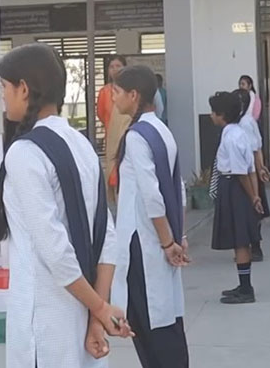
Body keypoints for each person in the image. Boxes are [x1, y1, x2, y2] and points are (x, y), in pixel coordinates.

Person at [0, 43, 131, 368]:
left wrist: (100, 310)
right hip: (83, 314)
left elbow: (54, 250)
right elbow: (106, 237)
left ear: (23, 89)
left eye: (5, 87)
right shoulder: (82, 145)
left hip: (45, 324)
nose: (3, 97)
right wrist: (97, 313)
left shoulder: (25, 153)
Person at [110, 66, 190, 368]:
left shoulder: (136, 137)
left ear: (134, 95)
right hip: (159, 238)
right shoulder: (161, 130)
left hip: (144, 242)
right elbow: (178, 188)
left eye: (117, 92)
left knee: (150, 325)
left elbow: (152, 196)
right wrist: (178, 235)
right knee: (165, 319)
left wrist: (168, 243)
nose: (113, 97)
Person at [209, 91, 264, 304]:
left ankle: (246, 289)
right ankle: (243, 284)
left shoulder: (231, 137)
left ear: (222, 115)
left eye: (213, 112)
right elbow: (251, 169)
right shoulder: (239, 133)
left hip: (234, 186)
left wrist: (252, 196)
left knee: (240, 240)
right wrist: (255, 195)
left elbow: (241, 171)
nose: (211, 115)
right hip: (240, 186)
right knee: (239, 240)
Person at [235, 88, 270, 261]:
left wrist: (260, 169)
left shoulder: (245, 123)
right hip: (251, 171)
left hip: (249, 172)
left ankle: (255, 247)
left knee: (252, 209)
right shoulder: (246, 120)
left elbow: (255, 149)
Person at [97, 55, 130, 206]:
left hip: (128, 136)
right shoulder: (104, 92)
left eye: (118, 66)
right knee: (114, 173)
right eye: (112, 67)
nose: (115, 69)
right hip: (112, 138)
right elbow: (101, 114)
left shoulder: (131, 91)